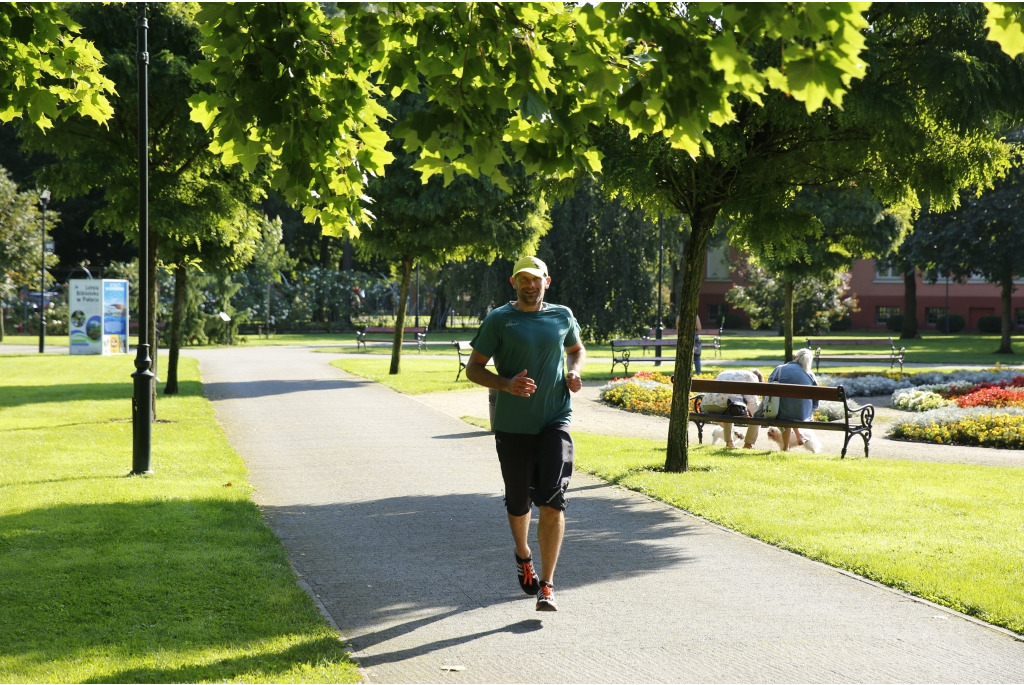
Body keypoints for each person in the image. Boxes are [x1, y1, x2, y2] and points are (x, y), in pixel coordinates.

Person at [465, 256, 585, 612]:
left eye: (536, 279)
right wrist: (506, 384)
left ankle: (547, 585)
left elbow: (576, 350)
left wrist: (574, 372)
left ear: (547, 281)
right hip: (513, 425)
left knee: (552, 499)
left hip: (555, 419)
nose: (530, 285)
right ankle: (523, 553)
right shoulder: (500, 319)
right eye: (523, 280)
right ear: (512, 282)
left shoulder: (562, 315)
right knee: (519, 502)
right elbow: (474, 368)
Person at [768, 348, 818, 451]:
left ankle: (786, 447)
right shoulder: (810, 374)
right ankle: (796, 437)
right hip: (803, 414)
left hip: (782, 412)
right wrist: (811, 410)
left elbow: (768, 390)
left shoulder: (780, 369)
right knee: (792, 409)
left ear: (795, 358)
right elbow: (816, 397)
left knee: (786, 410)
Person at [701, 368, 765, 448]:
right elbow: (752, 401)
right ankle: (748, 444)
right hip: (723, 406)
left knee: (730, 407)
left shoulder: (728, 373)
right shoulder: (752, 378)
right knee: (757, 413)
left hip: (707, 405)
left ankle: (729, 443)